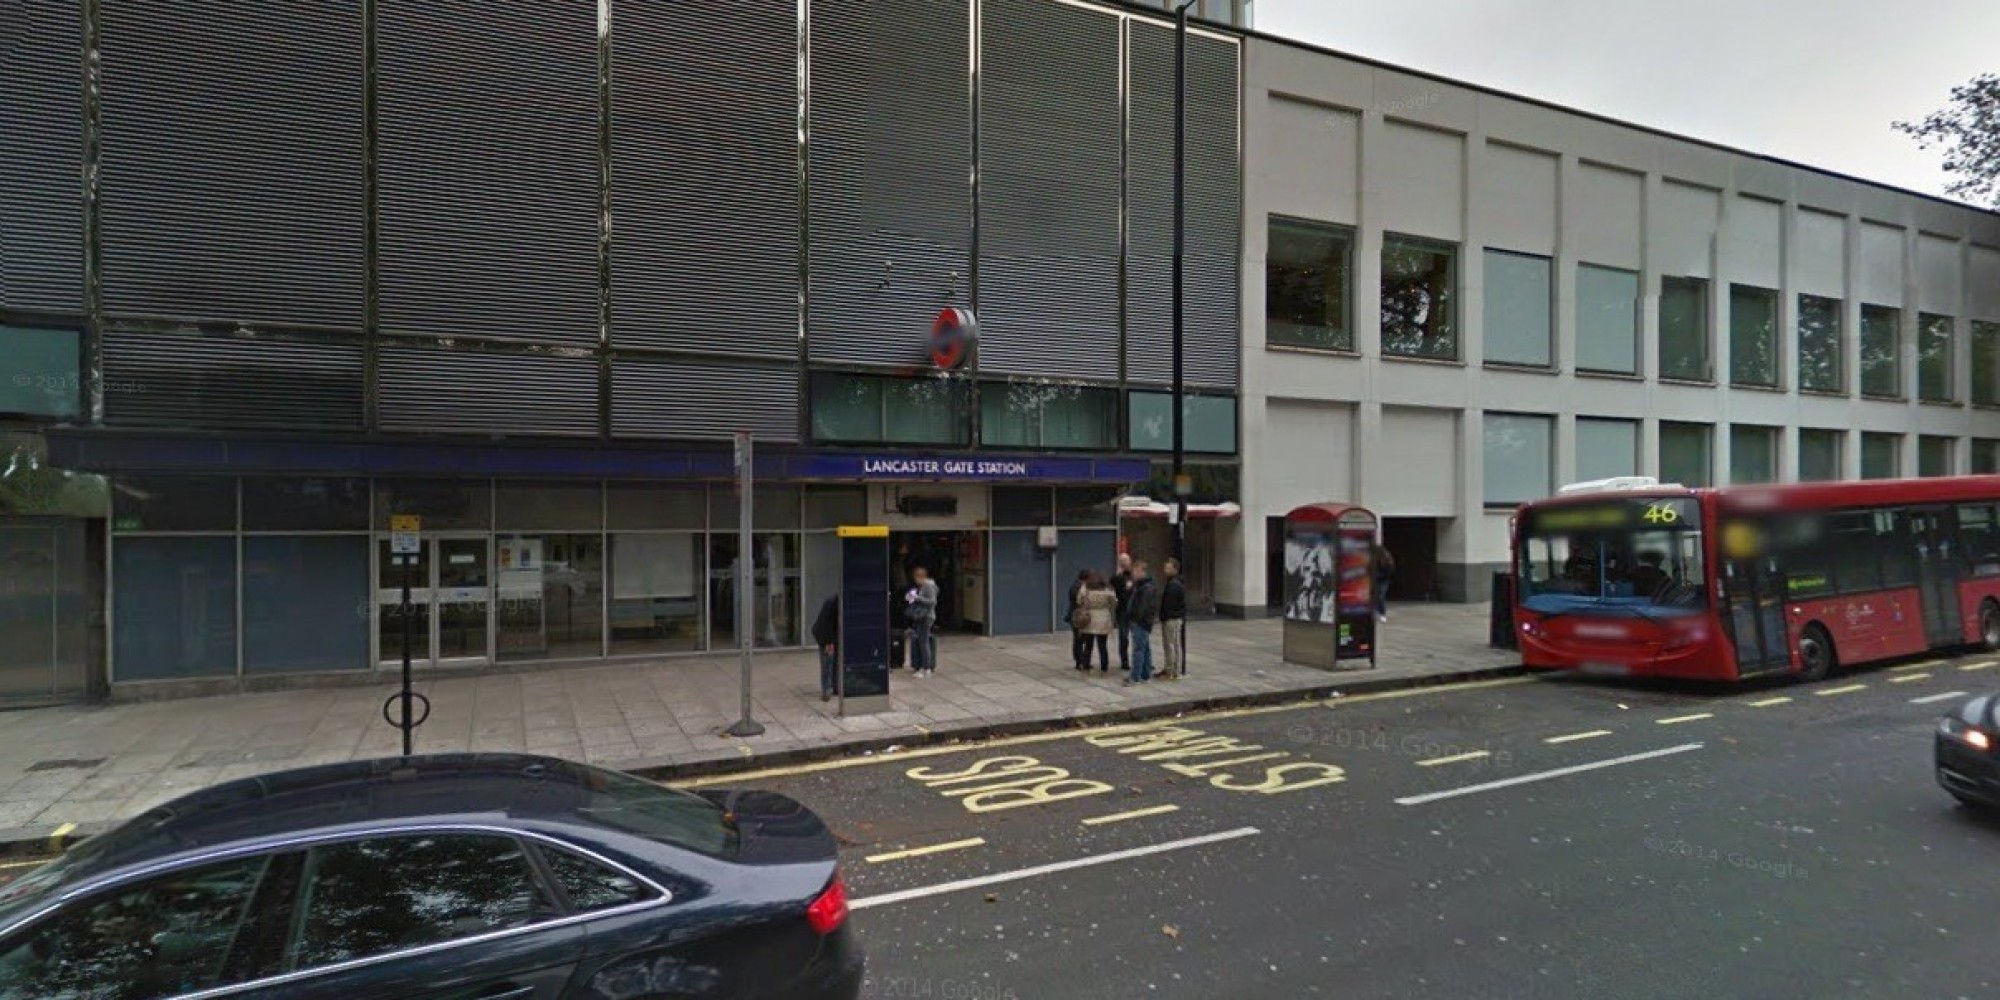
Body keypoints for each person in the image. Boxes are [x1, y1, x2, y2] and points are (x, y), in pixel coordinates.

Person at [1125, 561, 1160, 686]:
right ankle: (1145, 674)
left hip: (1140, 622)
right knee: (1145, 648)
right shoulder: (1140, 586)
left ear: (1142, 572)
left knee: (1138, 649)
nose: (1133, 574)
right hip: (1142, 622)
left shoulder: (1146, 588)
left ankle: (1135, 677)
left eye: (1136, 571)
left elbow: (1143, 607)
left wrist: (1135, 619)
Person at [1078, 571, 1117, 673]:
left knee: (1088, 645)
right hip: (1103, 618)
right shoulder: (1108, 591)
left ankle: (1085, 665)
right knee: (1102, 645)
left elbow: (1079, 600)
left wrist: (1083, 586)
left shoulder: (1086, 590)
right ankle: (1104, 667)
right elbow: (1114, 602)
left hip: (1089, 618)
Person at [1159, 558, 1188, 681]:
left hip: (1172, 619)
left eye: (1168, 568)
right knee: (1170, 645)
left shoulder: (1174, 585)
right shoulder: (1172, 583)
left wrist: (1166, 616)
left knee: (1172, 645)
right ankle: (1169, 668)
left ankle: (1173, 671)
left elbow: (1171, 604)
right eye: (1165, 567)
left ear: (1175, 569)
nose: (1165, 570)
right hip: (1171, 618)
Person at [908, 565, 939, 677]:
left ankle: (926, 668)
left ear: (920, 577)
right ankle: (924, 667)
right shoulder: (925, 586)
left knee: (924, 642)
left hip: (926, 617)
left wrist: (917, 597)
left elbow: (932, 602)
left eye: (916, 578)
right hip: (924, 616)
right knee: (922, 642)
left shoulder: (928, 586)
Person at [811, 593, 839, 702]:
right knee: (827, 662)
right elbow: (825, 624)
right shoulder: (832, 604)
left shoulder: (835, 603)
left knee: (834, 662)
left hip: (831, 636)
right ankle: (826, 690)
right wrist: (829, 642)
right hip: (825, 636)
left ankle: (834, 686)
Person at [1111, 553, 1136, 672]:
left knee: (1139, 637)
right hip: (1122, 612)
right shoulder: (1118, 577)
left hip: (1135, 612)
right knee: (1123, 637)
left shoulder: (1134, 575)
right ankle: (1124, 661)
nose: (1124, 563)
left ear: (1130, 561)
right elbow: (1113, 585)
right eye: (1121, 561)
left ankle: (1140, 660)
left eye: (1126, 560)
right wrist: (1119, 574)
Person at [1068, 569, 1093, 669]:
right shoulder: (1077, 587)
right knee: (1079, 639)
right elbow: (1077, 600)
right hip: (1078, 616)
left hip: (1078, 615)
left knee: (1080, 639)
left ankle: (1082, 660)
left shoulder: (1078, 585)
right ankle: (1079, 661)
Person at [1370, 542, 1396, 623]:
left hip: (1383, 580)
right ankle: (1375, 612)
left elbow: (1390, 570)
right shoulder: (1372, 558)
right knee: (1374, 596)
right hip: (1375, 579)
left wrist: (1379, 575)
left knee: (1380, 596)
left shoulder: (1386, 559)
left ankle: (1382, 614)